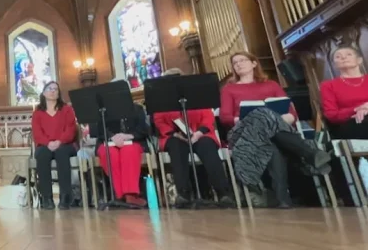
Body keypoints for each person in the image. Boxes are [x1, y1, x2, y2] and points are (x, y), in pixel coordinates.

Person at [219, 51, 330, 208]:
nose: (238, 64)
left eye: (242, 60)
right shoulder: (229, 89)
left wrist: (274, 120)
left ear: (254, 63)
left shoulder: (271, 85)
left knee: (272, 146)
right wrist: (252, 118)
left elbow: (291, 113)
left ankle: (282, 199)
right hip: (245, 133)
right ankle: (310, 153)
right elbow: (225, 118)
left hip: (274, 132)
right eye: (235, 63)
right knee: (262, 114)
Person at [153, 68, 234, 208]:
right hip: (175, 136)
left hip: (201, 134)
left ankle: (223, 192)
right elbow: (159, 121)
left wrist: (199, 133)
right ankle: (183, 194)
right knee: (176, 148)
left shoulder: (197, 95)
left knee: (207, 147)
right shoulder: (161, 100)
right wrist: (175, 134)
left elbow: (208, 117)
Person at [94, 78, 148, 208]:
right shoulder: (103, 111)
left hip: (133, 142)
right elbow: (99, 130)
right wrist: (113, 137)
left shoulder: (137, 109)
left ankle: (130, 194)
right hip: (108, 143)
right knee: (110, 153)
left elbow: (144, 130)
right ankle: (119, 195)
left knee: (129, 151)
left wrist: (128, 136)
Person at [31, 81, 78, 210]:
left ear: (58, 93)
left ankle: (65, 196)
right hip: (45, 145)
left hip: (65, 144)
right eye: (49, 88)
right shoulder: (37, 113)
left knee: (61, 152)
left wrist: (59, 141)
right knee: (42, 154)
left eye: (55, 89)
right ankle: (47, 198)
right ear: (44, 93)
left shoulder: (67, 109)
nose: (52, 91)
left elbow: (71, 129)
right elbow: (37, 133)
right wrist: (48, 143)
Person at [320, 45, 368, 140]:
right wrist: (358, 109)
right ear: (334, 64)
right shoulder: (328, 85)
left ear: (359, 60)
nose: (343, 57)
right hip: (352, 125)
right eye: (338, 56)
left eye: (349, 54)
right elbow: (331, 115)